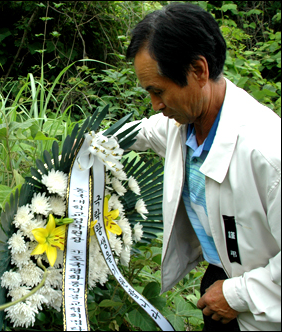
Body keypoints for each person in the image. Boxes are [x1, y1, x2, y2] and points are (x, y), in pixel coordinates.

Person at [118, 3, 281, 331]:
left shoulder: (266, 151)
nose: (156, 105)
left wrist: (239, 295)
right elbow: (144, 132)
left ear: (199, 70)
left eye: (159, 91)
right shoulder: (183, 126)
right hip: (221, 277)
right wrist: (92, 140)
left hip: (261, 303)